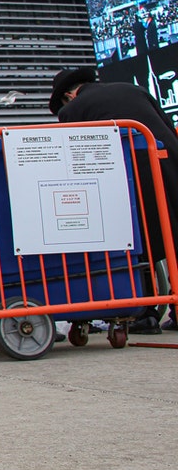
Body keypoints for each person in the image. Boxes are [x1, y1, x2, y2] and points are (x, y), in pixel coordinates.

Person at [50, 67, 178, 333]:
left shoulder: (72, 110)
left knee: (139, 247)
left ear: (68, 96)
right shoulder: (134, 89)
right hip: (169, 167)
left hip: (131, 182)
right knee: (174, 237)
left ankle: (145, 314)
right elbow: (167, 127)